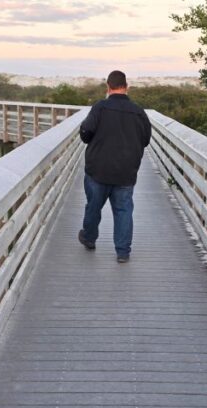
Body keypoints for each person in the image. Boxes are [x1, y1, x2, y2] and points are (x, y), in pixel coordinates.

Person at [77, 70, 152, 263]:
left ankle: (90, 238)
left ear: (108, 87)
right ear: (127, 87)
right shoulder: (139, 112)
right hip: (126, 172)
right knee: (123, 211)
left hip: (98, 170)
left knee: (93, 206)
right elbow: (145, 140)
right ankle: (123, 252)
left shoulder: (100, 108)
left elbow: (86, 133)